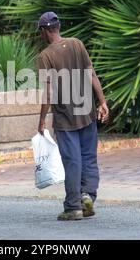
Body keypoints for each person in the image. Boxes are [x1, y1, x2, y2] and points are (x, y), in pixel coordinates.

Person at [37, 12, 109, 221]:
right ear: (58, 27)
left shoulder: (45, 56)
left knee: (72, 161)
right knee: (88, 158)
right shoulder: (77, 44)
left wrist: (42, 120)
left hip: (65, 118)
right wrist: (102, 102)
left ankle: (73, 207)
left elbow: (48, 91)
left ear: (43, 31)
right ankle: (87, 195)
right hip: (87, 112)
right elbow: (91, 74)